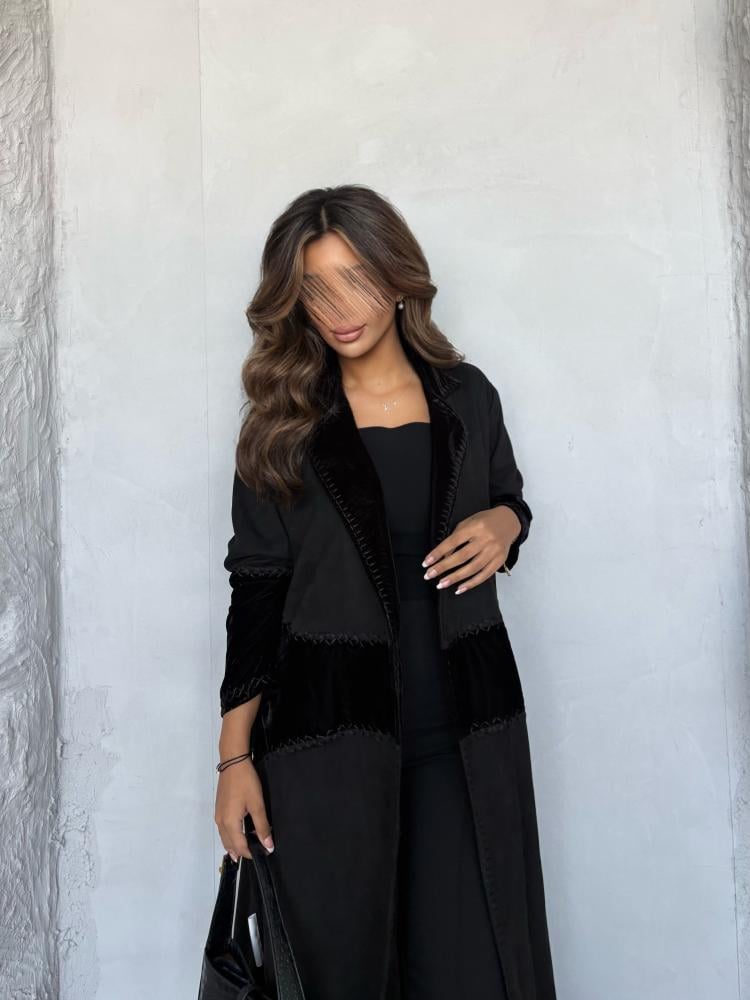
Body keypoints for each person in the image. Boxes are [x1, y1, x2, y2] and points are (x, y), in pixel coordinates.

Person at [213, 184, 557, 1000]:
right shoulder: (283, 422)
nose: (339, 309)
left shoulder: (467, 398)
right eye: (315, 288)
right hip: (326, 741)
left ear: (399, 278)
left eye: (356, 279)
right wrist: (234, 758)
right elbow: (255, 588)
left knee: (477, 969)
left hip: (464, 728)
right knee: (342, 975)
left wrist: (506, 523)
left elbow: (509, 499)